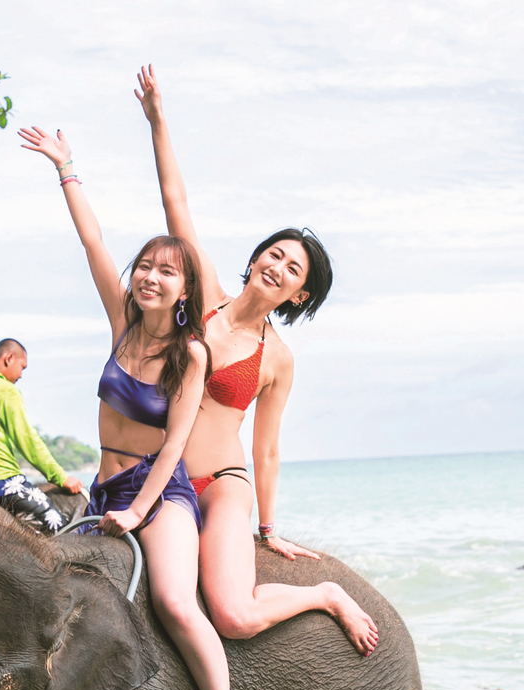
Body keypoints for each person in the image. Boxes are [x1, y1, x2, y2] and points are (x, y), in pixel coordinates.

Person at [19, 124, 247, 690]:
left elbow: (175, 444)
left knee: (176, 601)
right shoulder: (121, 322)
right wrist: (66, 167)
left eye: (167, 270)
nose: (150, 275)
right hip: (104, 486)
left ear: (185, 289)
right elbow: (92, 241)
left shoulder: (192, 353)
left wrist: (140, 511)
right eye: (145, 265)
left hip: (162, 493)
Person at [134, 65, 379, 655]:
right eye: (275, 253)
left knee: (235, 615)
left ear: (299, 295)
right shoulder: (206, 297)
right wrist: (158, 121)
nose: (277, 266)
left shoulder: (279, 359)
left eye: (293, 269)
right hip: (160, 480)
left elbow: (266, 447)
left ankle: (323, 594)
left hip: (220, 486)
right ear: (256, 258)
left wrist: (267, 527)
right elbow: (176, 202)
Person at [0, 338, 83, 534]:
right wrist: (61, 477)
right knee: (62, 527)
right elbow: (27, 439)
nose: (21, 375)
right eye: (22, 367)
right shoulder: (5, 389)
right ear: (8, 358)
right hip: (2, 484)